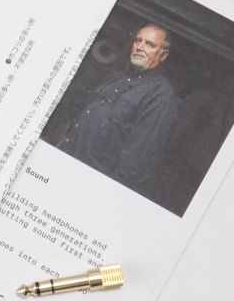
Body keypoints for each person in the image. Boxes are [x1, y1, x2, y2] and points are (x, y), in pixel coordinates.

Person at [59, 24, 179, 195]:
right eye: (138, 41)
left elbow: (139, 156)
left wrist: (109, 192)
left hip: (93, 181)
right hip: (67, 158)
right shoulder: (118, 75)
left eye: (150, 44)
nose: (140, 47)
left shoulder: (161, 95)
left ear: (163, 55)